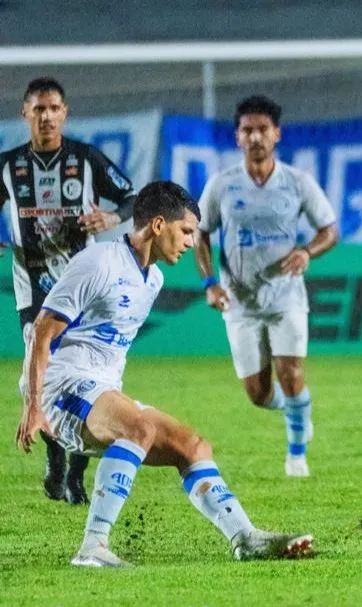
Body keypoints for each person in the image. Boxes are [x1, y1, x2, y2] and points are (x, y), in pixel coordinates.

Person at [14, 181, 314, 567]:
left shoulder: (152, 279)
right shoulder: (98, 261)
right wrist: (34, 406)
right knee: (137, 428)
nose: (191, 242)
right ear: (158, 225)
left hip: (100, 388)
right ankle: (93, 547)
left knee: (192, 445)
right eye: (186, 231)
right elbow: (41, 331)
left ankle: (245, 538)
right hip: (62, 386)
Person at [0, 77, 137, 506]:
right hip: (34, 286)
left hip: (84, 284)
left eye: (53, 108)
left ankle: (74, 472)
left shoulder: (86, 158)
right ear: (25, 114)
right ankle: (56, 457)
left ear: (65, 113)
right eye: (38, 109)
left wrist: (111, 219)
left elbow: (132, 197)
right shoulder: (7, 165)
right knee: (40, 373)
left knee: (90, 377)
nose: (46, 116)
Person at [195, 95, 338, 477]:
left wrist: (308, 252)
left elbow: (330, 230)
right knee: (258, 395)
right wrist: (210, 283)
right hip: (238, 302)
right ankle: (297, 409)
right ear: (237, 137)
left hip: (286, 296)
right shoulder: (222, 185)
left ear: (277, 134)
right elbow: (199, 234)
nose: (255, 136)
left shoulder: (297, 182)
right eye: (247, 130)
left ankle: (296, 456)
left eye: (262, 129)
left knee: (290, 372)